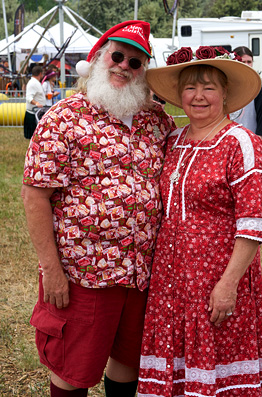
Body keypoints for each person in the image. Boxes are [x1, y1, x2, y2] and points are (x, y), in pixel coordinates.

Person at [21, 20, 175, 397]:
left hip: (142, 273)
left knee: (128, 361)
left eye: (136, 62)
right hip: (83, 275)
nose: (125, 66)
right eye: (118, 56)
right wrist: (51, 270)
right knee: (74, 369)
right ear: (99, 58)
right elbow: (35, 195)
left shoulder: (157, 121)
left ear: (144, 73)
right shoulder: (63, 118)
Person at [137, 46, 262, 397]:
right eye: (190, 88)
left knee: (218, 364)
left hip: (218, 275)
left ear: (226, 95)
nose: (198, 96)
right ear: (179, 96)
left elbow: (253, 223)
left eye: (209, 87)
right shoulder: (173, 141)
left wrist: (228, 285)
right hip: (171, 277)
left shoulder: (241, 143)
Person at [229, 46, 262, 144]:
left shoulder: (259, 86)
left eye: (249, 62)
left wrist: (257, 143)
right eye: (243, 62)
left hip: (252, 140)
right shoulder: (227, 85)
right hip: (230, 140)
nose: (247, 65)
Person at [24, 65, 46, 139]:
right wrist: (36, 103)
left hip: (36, 112)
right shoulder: (33, 83)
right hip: (33, 113)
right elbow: (29, 97)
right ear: (40, 74)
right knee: (32, 137)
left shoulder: (35, 82)